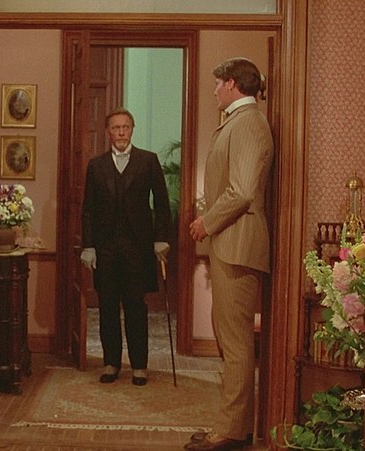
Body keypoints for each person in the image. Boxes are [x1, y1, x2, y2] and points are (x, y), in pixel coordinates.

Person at [186, 57, 273, 451]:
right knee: (230, 338)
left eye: (218, 83)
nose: (214, 90)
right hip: (231, 242)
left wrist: (207, 222)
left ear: (233, 84)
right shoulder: (238, 121)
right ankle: (232, 426)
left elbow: (242, 191)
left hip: (238, 244)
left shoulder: (249, 123)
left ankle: (232, 433)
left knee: (235, 342)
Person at [80, 107, 172, 387]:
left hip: (137, 248)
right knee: (107, 307)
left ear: (132, 129)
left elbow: (162, 204)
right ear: (108, 132)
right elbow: (88, 210)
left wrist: (161, 239)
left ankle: (139, 366)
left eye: (126, 127)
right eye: (116, 128)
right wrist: (89, 246)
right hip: (106, 249)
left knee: (136, 308)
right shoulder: (96, 165)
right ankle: (111, 363)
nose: (121, 132)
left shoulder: (148, 161)